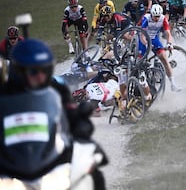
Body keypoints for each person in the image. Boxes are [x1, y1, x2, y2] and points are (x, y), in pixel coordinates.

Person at [0, 38, 107, 189]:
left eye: (44, 70)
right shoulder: (4, 94)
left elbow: (70, 110)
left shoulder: (57, 87)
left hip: (50, 159)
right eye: (33, 71)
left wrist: (79, 120)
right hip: (10, 167)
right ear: (18, 72)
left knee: (90, 167)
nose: (40, 76)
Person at [139, 4, 182, 92]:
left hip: (154, 39)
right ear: (151, 15)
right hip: (144, 39)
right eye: (155, 17)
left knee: (164, 59)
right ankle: (142, 80)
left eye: (158, 16)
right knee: (141, 62)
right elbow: (142, 35)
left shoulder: (163, 19)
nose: (157, 19)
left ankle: (173, 84)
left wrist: (169, 43)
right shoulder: (146, 19)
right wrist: (146, 44)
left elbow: (168, 33)